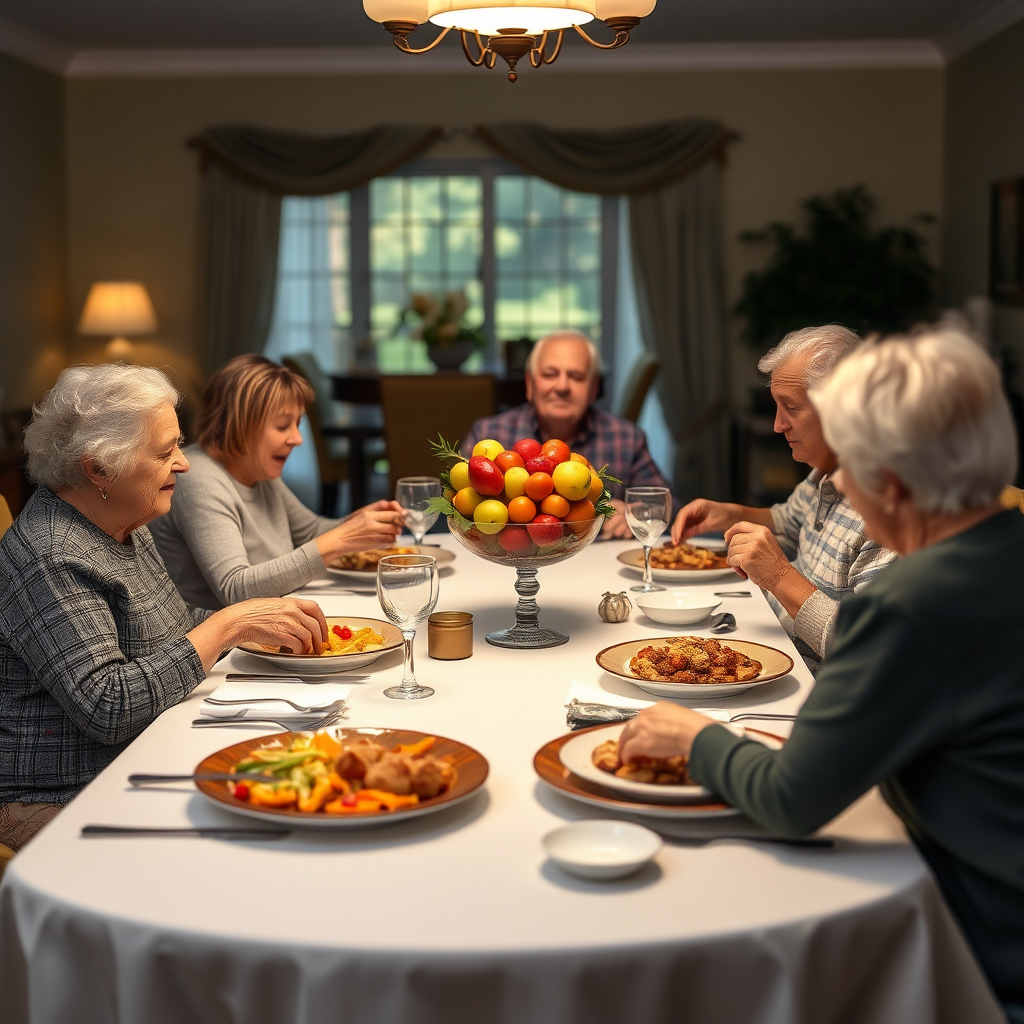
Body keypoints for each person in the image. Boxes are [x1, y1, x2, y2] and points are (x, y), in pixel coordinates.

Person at [619, 328, 1024, 1021]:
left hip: (976, 951)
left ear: (891, 479)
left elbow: (791, 799)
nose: (837, 487)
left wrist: (691, 736)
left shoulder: (909, 607)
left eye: (851, 469)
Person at [0, 364, 330, 852]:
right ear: (98, 468)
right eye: (165, 451)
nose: (184, 463)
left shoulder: (125, 520)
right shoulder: (51, 554)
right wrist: (229, 623)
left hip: (143, 753)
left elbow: (174, 629)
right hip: (65, 793)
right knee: (262, 836)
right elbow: (109, 706)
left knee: (298, 782)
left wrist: (259, 625)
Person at [671, 324, 895, 662]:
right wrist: (733, 513)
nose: (778, 425)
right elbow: (790, 523)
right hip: (775, 642)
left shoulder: (894, 511)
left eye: (790, 407)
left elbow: (874, 652)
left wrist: (778, 576)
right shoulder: (830, 469)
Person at [150, 355, 405, 609]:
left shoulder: (257, 467)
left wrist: (358, 523)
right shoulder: (197, 479)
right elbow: (235, 589)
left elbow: (309, 532)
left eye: (297, 425)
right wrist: (342, 539)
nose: (297, 439)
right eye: (283, 426)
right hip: (225, 644)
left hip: (272, 620)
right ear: (241, 424)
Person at [462, 329, 674, 538]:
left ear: (594, 388)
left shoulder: (626, 438)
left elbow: (666, 503)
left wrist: (634, 513)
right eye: (549, 374)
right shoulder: (489, 434)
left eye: (576, 376)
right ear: (529, 384)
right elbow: (458, 511)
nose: (562, 386)